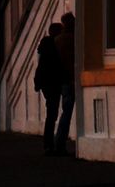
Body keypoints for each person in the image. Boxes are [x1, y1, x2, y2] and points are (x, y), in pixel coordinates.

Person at [34, 22, 63, 155]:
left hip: (45, 82)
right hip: (52, 82)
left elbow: (41, 66)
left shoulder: (44, 46)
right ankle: (49, 144)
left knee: (51, 112)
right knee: (52, 113)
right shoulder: (54, 46)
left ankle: (48, 144)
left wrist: (37, 83)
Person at [52, 12, 76, 156]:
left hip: (61, 80)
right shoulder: (72, 39)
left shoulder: (57, 40)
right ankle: (59, 143)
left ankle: (58, 143)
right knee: (67, 112)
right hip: (70, 79)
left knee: (64, 111)